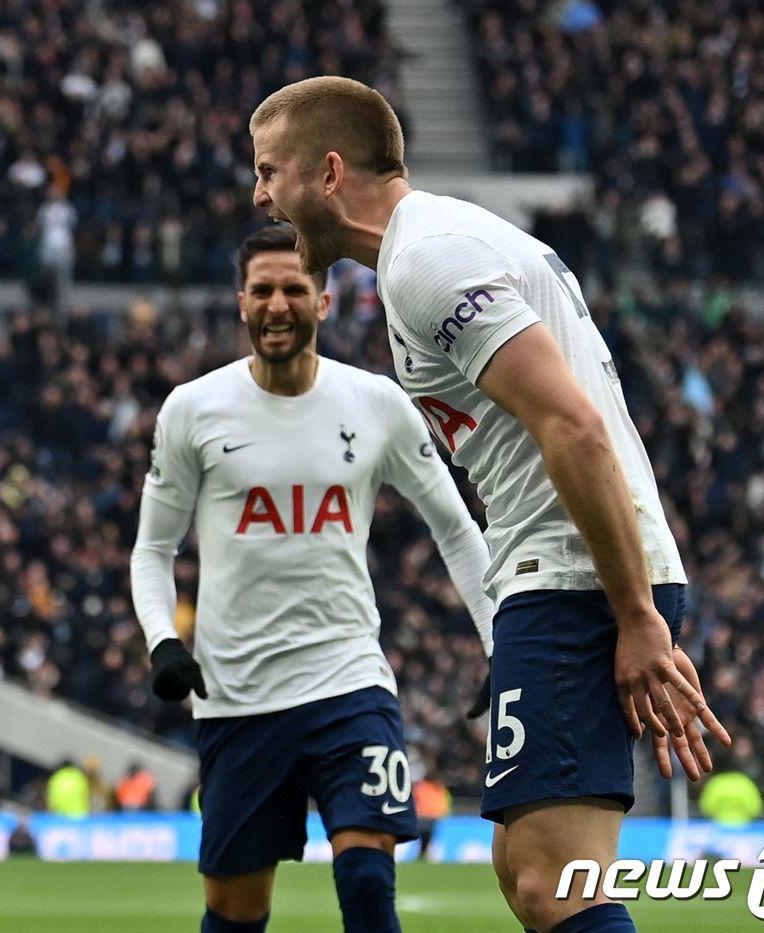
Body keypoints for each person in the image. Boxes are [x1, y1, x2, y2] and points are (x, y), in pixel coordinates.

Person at [247, 76, 732, 933]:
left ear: (327, 172)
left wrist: (634, 617)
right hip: (555, 578)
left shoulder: (429, 259)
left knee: (554, 880)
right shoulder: (439, 242)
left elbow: (574, 427)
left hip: (579, 575)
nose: (260, 196)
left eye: (268, 172)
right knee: (525, 868)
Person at [131, 223, 495, 933]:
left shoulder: (378, 404)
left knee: (366, 878)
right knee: (237, 913)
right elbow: (153, 548)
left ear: (323, 302)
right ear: (241, 301)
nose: (277, 304)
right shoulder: (193, 410)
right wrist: (161, 641)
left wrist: (495, 637)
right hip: (237, 697)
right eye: (262, 289)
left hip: (348, 681)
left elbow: (455, 525)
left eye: (293, 289)